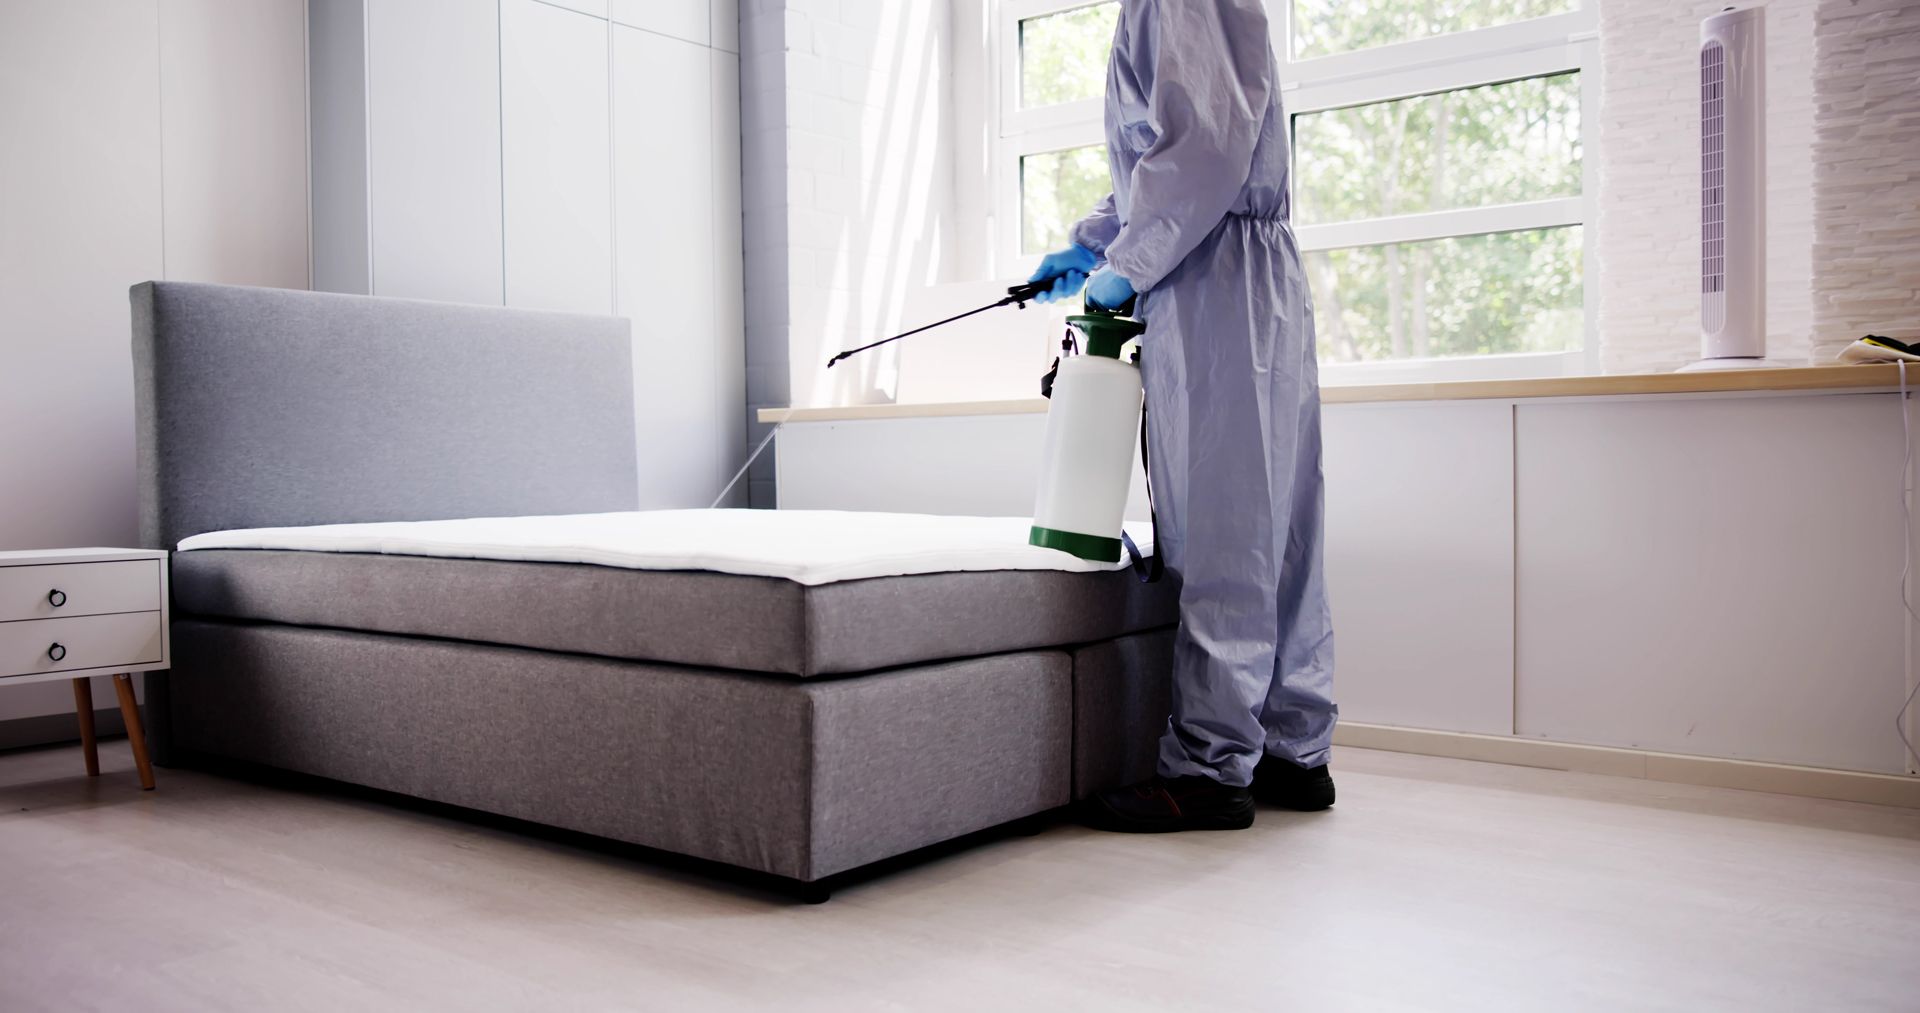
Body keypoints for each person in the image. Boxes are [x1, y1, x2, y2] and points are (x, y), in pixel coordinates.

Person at [1029, 0, 1336, 832]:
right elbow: (1169, 149)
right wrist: (1095, 239)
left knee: (1223, 521)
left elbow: (1203, 152)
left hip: (1210, 274)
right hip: (1247, 269)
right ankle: (1289, 744)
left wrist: (1125, 264)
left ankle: (1208, 766)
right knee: (1276, 522)